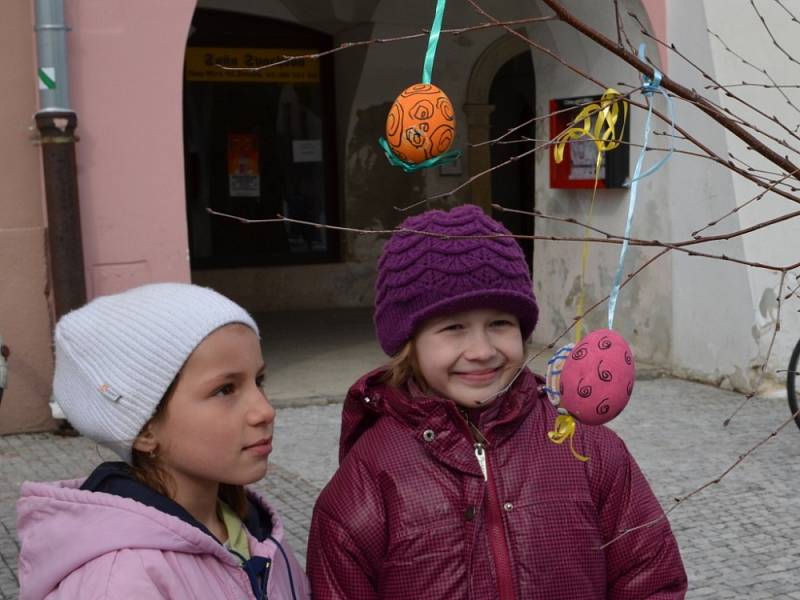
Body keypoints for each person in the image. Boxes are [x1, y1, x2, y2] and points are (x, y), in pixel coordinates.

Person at [307, 204, 687, 599]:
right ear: (409, 343)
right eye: (453, 327)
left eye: (500, 324)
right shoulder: (370, 474)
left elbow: (651, 578)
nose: (481, 350)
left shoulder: (587, 449)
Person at [16, 283, 309, 600]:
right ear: (145, 430)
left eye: (259, 381)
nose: (264, 411)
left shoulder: (255, 532)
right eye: (225, 389)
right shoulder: (120, 583)